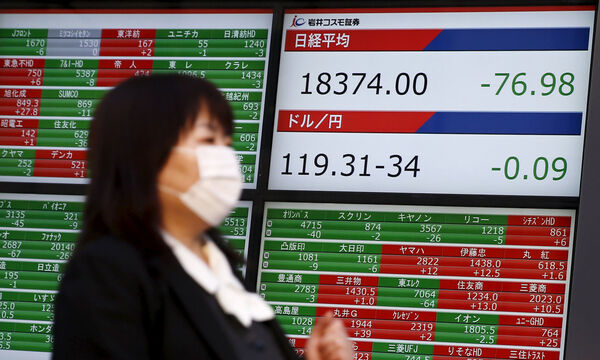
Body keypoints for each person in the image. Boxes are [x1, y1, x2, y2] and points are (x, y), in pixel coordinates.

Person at [52, 74, 354, 360]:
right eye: (208, 141)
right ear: (146, 154)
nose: (225, 157)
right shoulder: (109, 270)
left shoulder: (220, 269)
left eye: (227, 142)